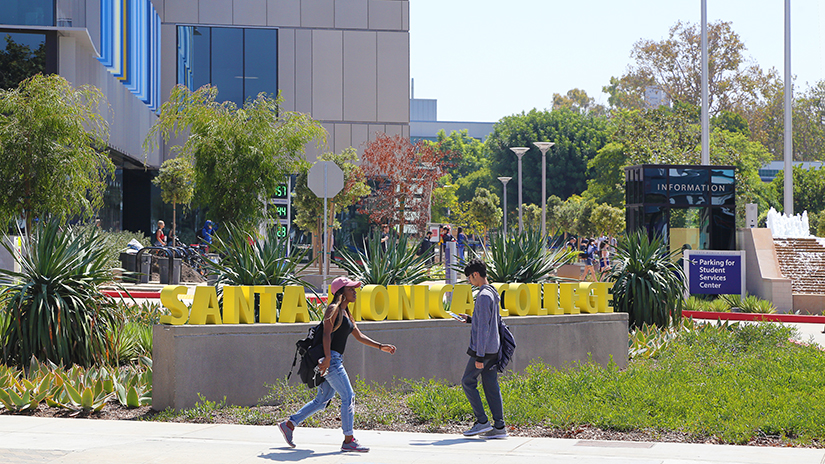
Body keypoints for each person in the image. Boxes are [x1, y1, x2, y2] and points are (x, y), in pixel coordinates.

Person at [278, 277, 397, 452]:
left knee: (322, 400)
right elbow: (326, 334)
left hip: (334, 358)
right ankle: (349, 440)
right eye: (351, 289)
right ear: (341, 291)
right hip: (330, 360)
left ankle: (289, 424)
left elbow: (358, 335)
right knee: (348, 396)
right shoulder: (333, 309)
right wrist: (326, 358)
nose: (355, 292)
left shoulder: (347, 312)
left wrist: (380, 346)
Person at [455, 259, 507, 439]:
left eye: (469, 277)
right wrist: (470, 319)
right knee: (491, 385)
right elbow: (488, 321)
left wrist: (479, 356)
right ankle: (499, 427)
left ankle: (482, 422)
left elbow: (484, 328)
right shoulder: (492, 291)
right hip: (493, 347)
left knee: (468, 381)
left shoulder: (483, 296)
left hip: (484, 350)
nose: (470, 281)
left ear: (475, 275)